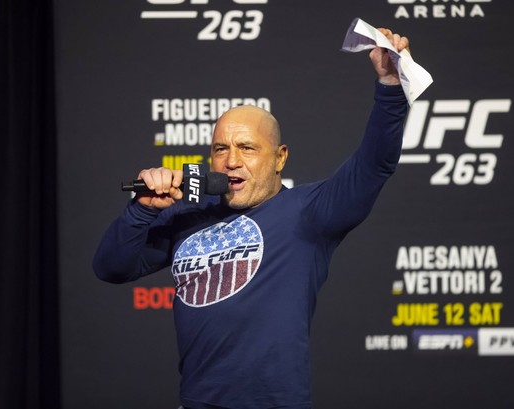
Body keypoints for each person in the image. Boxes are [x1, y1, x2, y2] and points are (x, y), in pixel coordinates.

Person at [94, 29, 410, 409]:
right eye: (220, 149)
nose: (231, 161)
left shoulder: (310, 212)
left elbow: (375, 164)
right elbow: (111, 268)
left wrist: (390, 85)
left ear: (279, 158)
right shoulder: (187, 213)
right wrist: (142, 208)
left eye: (247, 148)